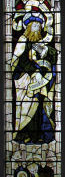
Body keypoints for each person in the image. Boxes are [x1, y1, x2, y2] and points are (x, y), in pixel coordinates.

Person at [11, 11, 57, 144]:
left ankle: (37, 134)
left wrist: (45, 52)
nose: (37, 28)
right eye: (34, 25)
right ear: (28, 27)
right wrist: (34, 71)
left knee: (39, 106)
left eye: (39, 25)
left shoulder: (41, 42)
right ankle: (23, 133)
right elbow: (18, 61)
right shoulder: (23, 40)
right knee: (26, 106)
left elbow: (53, 56)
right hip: (24, 80)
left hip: (40, 81)